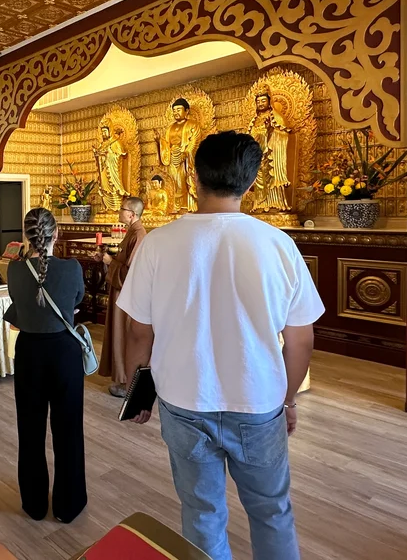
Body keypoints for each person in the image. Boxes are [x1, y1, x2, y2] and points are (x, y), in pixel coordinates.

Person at [117, 131, 322, 560]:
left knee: (201, 511)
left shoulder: (157, 244)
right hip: (258, 401)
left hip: (184, 401)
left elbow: (139, 331)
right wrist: (287, 400)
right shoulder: (278, 244)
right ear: (251, 182)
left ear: (195, 177)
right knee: (271, 512)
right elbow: (301, 339)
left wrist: (141, 390)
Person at [4, 207, 87, 524]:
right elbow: (76, 301)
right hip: (64, 354)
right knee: (68, 430)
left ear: (26, 236)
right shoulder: (72, 268)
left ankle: (34, 503)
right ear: (56, 234)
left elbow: (17, 301)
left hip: (29, 353)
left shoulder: (14, 270)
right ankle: (69, 504)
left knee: (30, 428)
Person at [96, 196, 146, 397]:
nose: (119, 211)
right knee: (118, 335)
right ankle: (121, 379)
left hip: (127, 294)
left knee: (124, 335)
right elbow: (122, 263)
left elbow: (131, 272)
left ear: (132, 214)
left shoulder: (139, 234)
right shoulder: (131, 232)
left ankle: (128, 384)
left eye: (122, 209)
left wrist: (111, 262)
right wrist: (106, 260)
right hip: (120, 291)